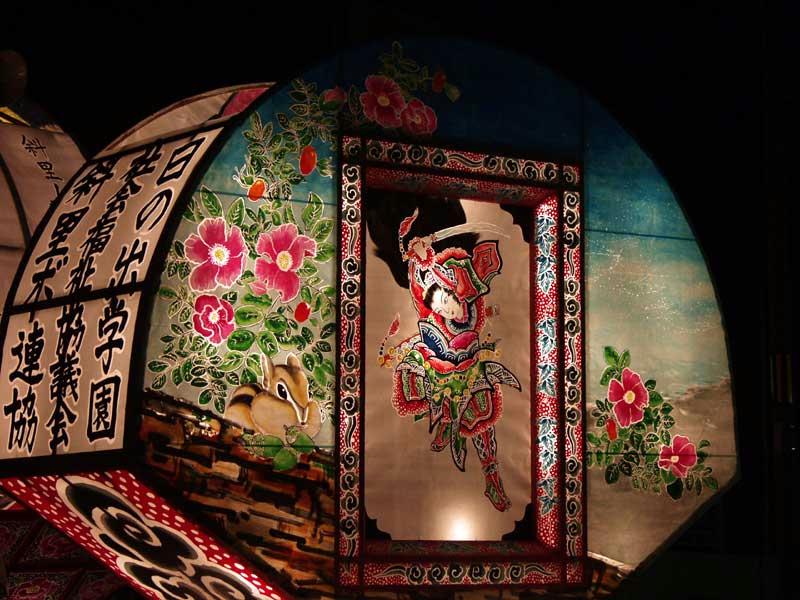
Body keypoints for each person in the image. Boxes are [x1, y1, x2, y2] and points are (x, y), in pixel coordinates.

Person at [379, 209, 520, 512]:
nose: (446, 309)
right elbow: (421, 291)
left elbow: (449, 281)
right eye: (440, 308)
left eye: (447, 301)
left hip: (470, 369)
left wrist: (429, 258)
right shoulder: (433, 310)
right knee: (421, 377)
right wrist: (418, 260)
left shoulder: (464, 288)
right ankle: (445, 423)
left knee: (482, 421)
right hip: (441, 368)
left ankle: (491, 477)